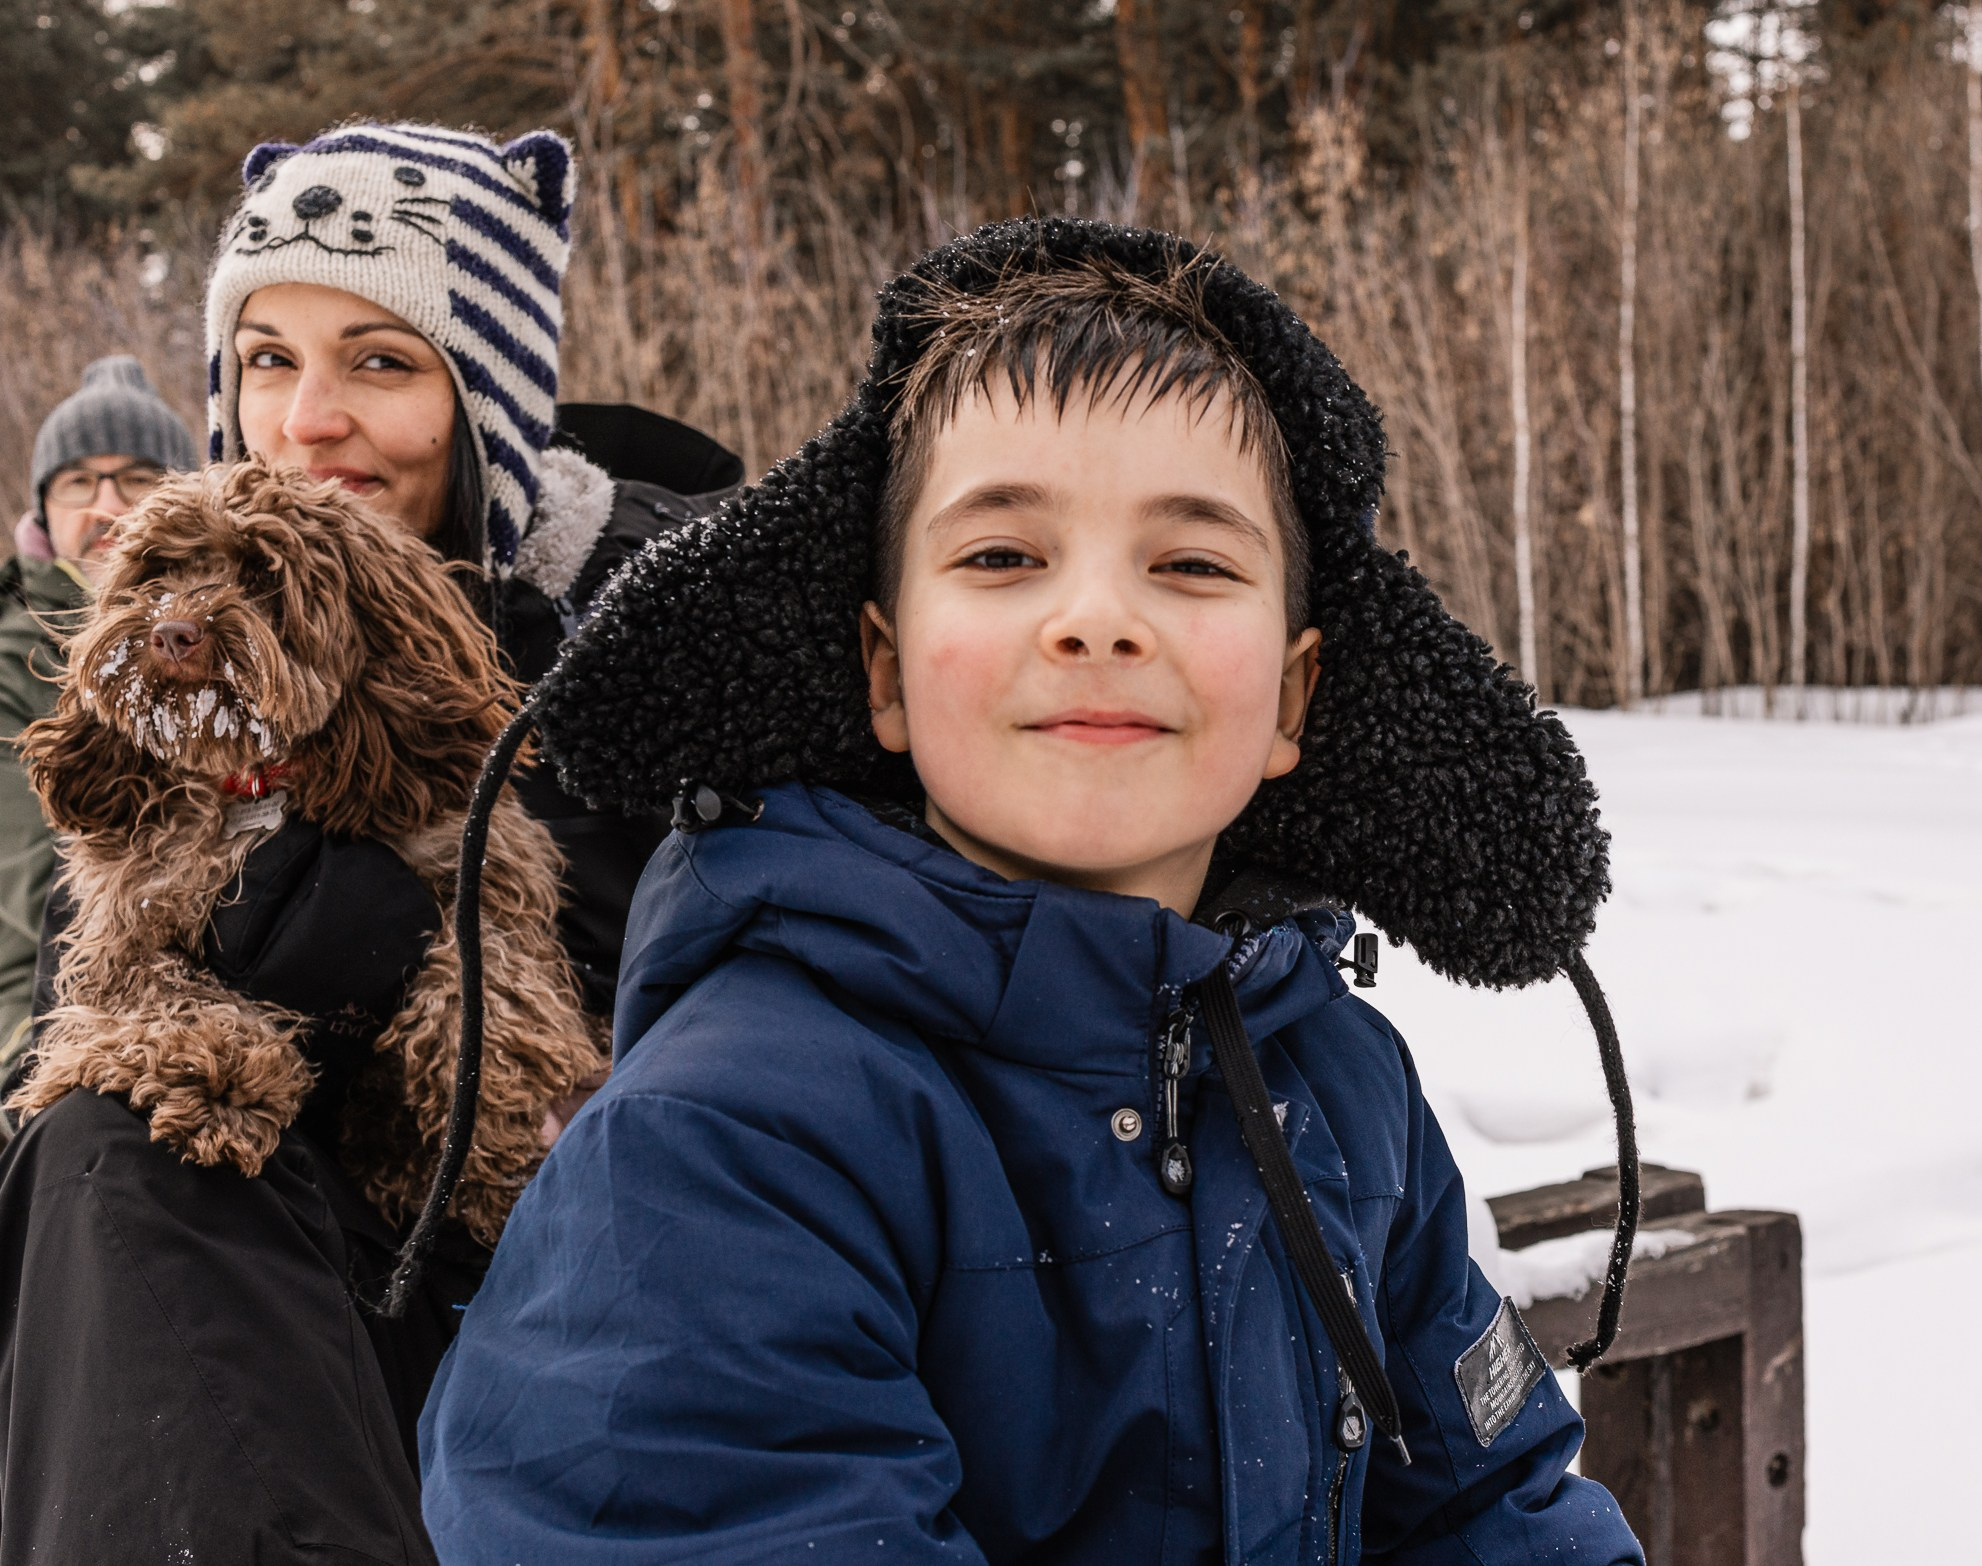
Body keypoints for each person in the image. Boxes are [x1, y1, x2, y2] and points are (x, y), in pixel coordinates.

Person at [418, 221, 1645, 1563]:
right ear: (884, 671)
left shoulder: (1341, 1088)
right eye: (1004, 556)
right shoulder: (730, 1145)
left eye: (1191, 563)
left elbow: (1492, 1505)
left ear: (1294, 695)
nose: (1097, 618)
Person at [0, 123, 738, 1564]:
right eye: (266, 359)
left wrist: (469, 926)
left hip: (591, 1281)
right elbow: (60, 1011)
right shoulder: (170, 675)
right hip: (255, 1323)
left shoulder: (658, 633)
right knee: (104, 1143)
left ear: (492, 402)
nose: (306, 421)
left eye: (383, 362)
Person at [0, 357, 194, 1101]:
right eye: (78, 482)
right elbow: (31, 883)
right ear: (44, 510)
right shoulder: (13, 659)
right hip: (47, 1001)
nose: (106, 506)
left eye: (137, 479)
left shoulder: (237, 636)